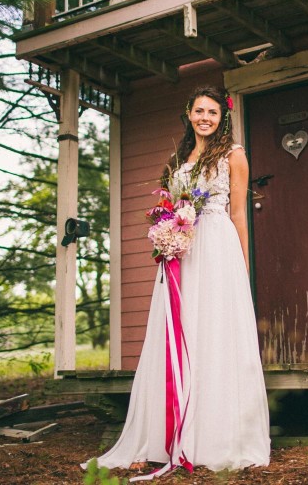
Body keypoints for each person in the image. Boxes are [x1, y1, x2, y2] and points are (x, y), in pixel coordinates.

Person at [86, 85, 270, 478]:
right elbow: (168, 207)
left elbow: (238, 213)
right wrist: (167, 232)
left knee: (214, 331)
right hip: (181, 254)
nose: (206, 118)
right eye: (200, 111)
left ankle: (216, 435)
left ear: (223, 118)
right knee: (181, 329)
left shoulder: (234, 155)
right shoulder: (179, 158)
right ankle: (166, 432)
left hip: (217, 246)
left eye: (213, 113)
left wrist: (242, 262)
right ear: (189, 113)